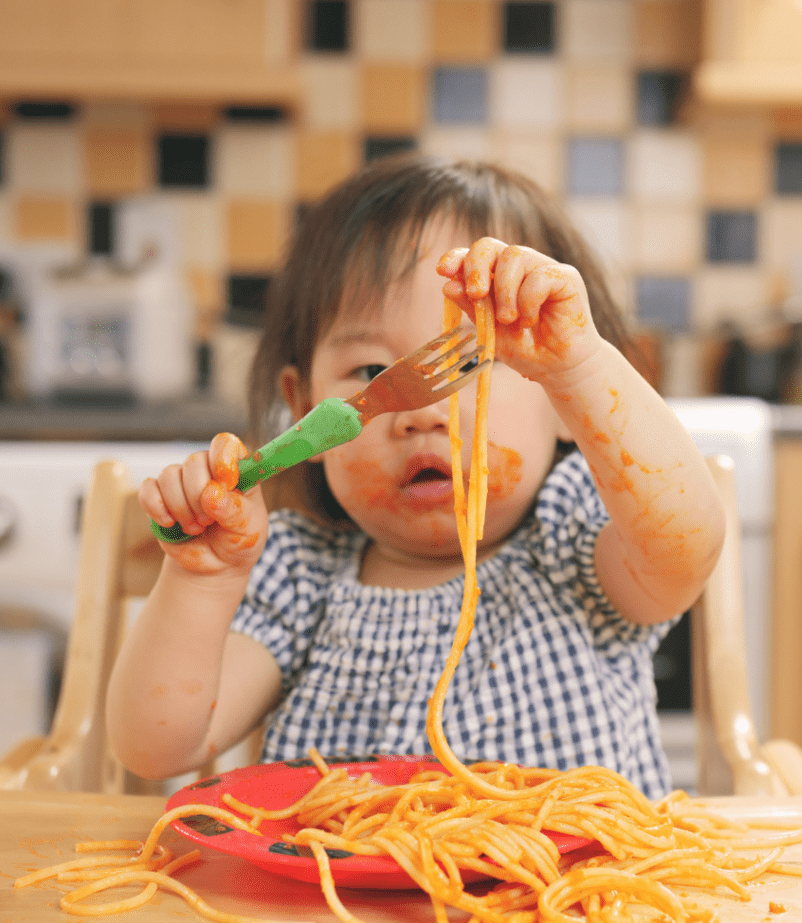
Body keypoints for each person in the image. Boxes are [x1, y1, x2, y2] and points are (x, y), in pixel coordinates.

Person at [107, 156, 726, 800]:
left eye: (472, 360)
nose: (422, 411)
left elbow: (687, 547)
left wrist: (580, 370)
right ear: (301, 410)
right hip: (333, 898)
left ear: (564, 407)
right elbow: (158, 748)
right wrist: (202, 581)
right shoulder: (300, 577)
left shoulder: (578, 543)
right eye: (369, 369)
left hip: (570, 897)